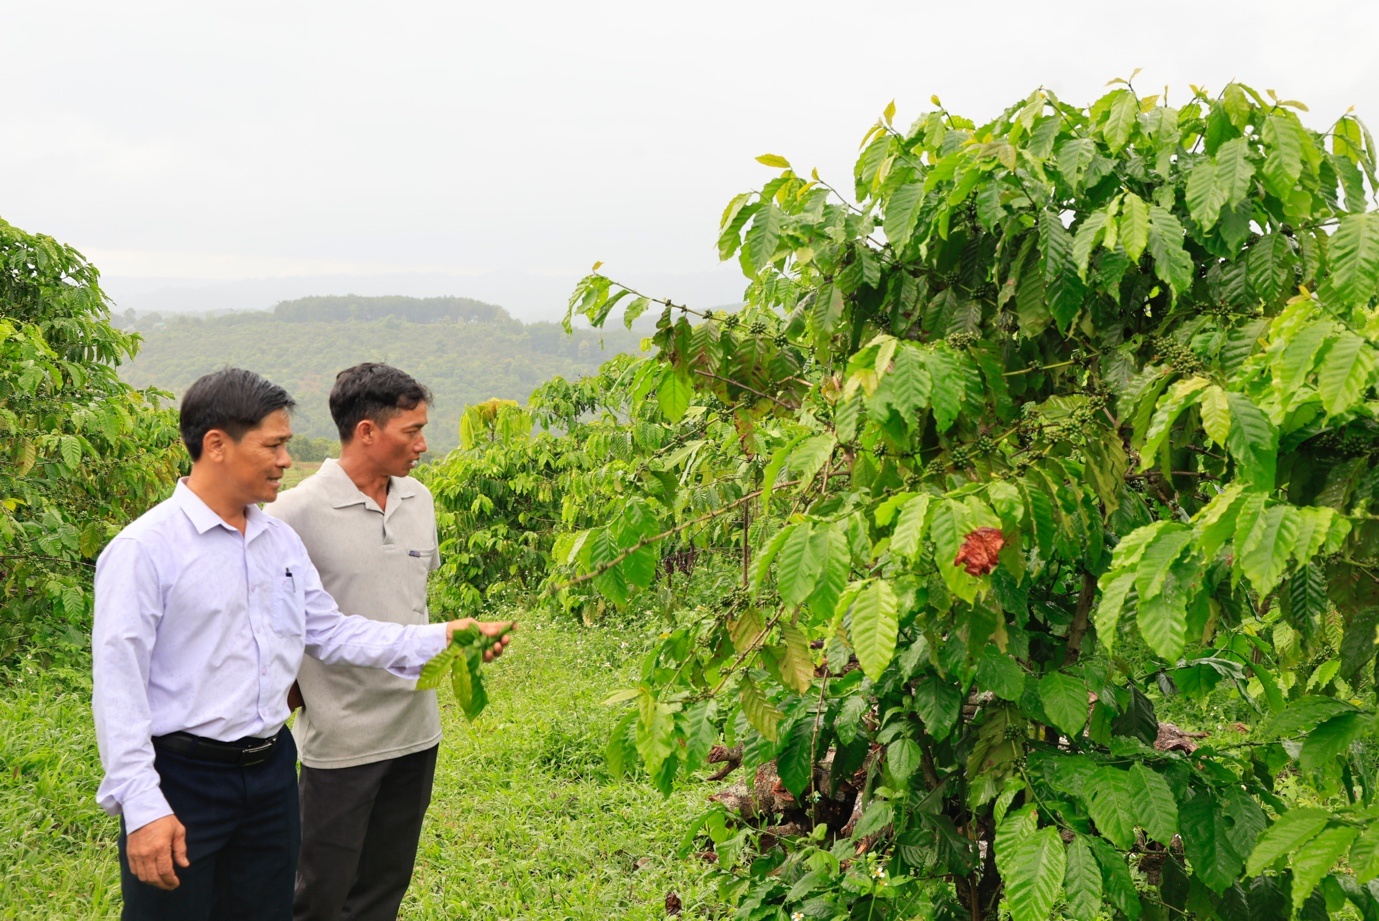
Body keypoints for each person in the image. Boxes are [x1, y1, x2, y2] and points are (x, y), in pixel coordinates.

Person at [91, 368, 511, 921]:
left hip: (269, 770)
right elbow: (118, 688)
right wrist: (143, 806)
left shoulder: (278, 543)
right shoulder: (146, 550)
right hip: (185, 775)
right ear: (216, 445)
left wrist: (440, 637)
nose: (287, 460)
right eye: (275, 445)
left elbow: (333, 632)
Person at [265, 364, 473, 921]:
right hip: (341, 741)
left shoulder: (419, 500)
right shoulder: (294, 514)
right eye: (411, 432)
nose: (423, 445)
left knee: (384, 888)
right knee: (319, 892)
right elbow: (274, 622)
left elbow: (411, 603)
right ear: (366, 432)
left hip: (415, 731)